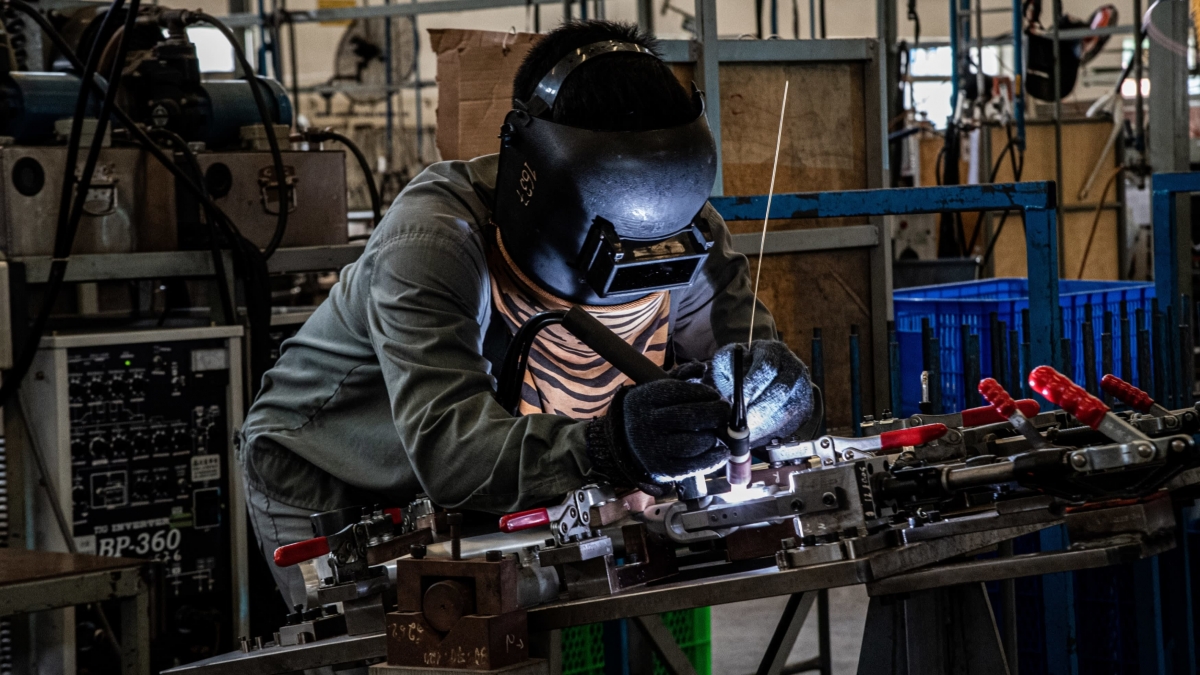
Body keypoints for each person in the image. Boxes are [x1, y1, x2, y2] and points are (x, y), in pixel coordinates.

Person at [239, 20, 816, 607]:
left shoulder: (686, 230)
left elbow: (743, 366)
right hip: (331, 474)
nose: (641, 261)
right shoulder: (436, 240)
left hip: (487, 475)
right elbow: (452, 449)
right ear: (532, 175)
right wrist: (610, 447)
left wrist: (771, 396)